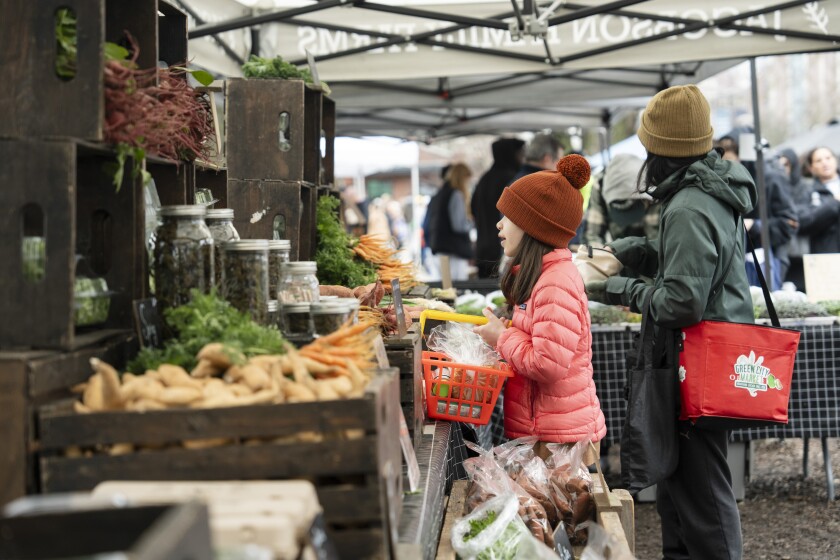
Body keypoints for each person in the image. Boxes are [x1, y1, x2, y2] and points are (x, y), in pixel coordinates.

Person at [586, 85, 754, 560]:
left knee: (701, 497)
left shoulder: (688, 206)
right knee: (681, 493)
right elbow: (687, 264)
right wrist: (627, 253)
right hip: (708, 358)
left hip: (697, 365)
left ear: (658, 147)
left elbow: (682, 301)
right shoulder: (707, 191)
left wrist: (612, 288)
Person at [473, 154, 607, 456]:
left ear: (533, 226)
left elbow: (547, 363)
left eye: (507, 217)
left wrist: (502, 337)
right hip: (549, 432)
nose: (498, 225)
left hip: (563, 441)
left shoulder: (555, 283)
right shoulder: (541, 277)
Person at [717, 135, 797, 289]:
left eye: (732, 160)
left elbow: (789, 224)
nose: (726, 166)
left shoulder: (771, 179)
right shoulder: (722, 183)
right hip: (733, 264)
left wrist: (755, 226)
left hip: (768, 261)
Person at [471, 137, 525, 278]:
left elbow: (472, 210)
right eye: (520, 154)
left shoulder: (484, 179)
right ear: (511, 154)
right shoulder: (511, 179)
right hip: (502, 251)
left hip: (483, 249)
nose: (522, 158)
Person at [584, 153, 659, 246]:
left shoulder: (652, 186)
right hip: (617, 241)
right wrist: (600, 255)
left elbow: (657, 240)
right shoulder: (600, 185)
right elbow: (593, 235)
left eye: (630, 208)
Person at [426, 163, 474, 280]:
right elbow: (458, 226)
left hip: (439, 249)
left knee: (446, 289)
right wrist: (472, 223)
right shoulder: (456, 194)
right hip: (453, 252)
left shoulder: (439, 194)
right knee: (457, 289)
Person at [792, 147, 840, 259]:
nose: (825, 163)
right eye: (818, 160)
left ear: (835, 160)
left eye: (828, 158)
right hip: (826, 258)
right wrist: (834, 203)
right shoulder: (806, 191)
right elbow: (803, 223)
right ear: (811, 167)